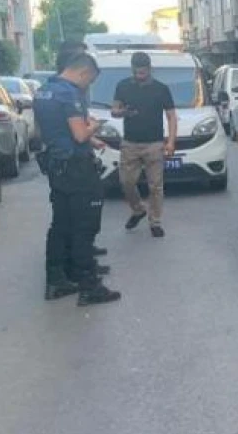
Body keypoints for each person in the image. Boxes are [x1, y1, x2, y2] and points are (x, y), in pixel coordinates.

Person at [33, 52, 120, 306]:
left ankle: (57, 280)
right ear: (83, 72)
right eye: (89, 81)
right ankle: (89, 285)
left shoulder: (44, 91)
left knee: (61, 224)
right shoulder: (69, 94)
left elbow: (46, 132)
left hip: (57, 165)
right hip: (77, 168)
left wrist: (88, 138)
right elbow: (80, 135)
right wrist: (94, 127)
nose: (88, 86)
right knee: (85, 225)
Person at [112, 52, 177, 238]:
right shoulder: (123, 86)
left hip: (154, 143)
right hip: (130, 143)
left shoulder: (161, 89)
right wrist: (123, 112)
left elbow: (171, 116)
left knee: (155, 185)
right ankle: (138, 209)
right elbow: (114, 110)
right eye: (137, 72)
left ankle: (155, 221)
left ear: (150, 69)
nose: (140, 75)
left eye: (143, 72)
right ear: (132, 69)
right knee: (126, 182)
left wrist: (171, 141)